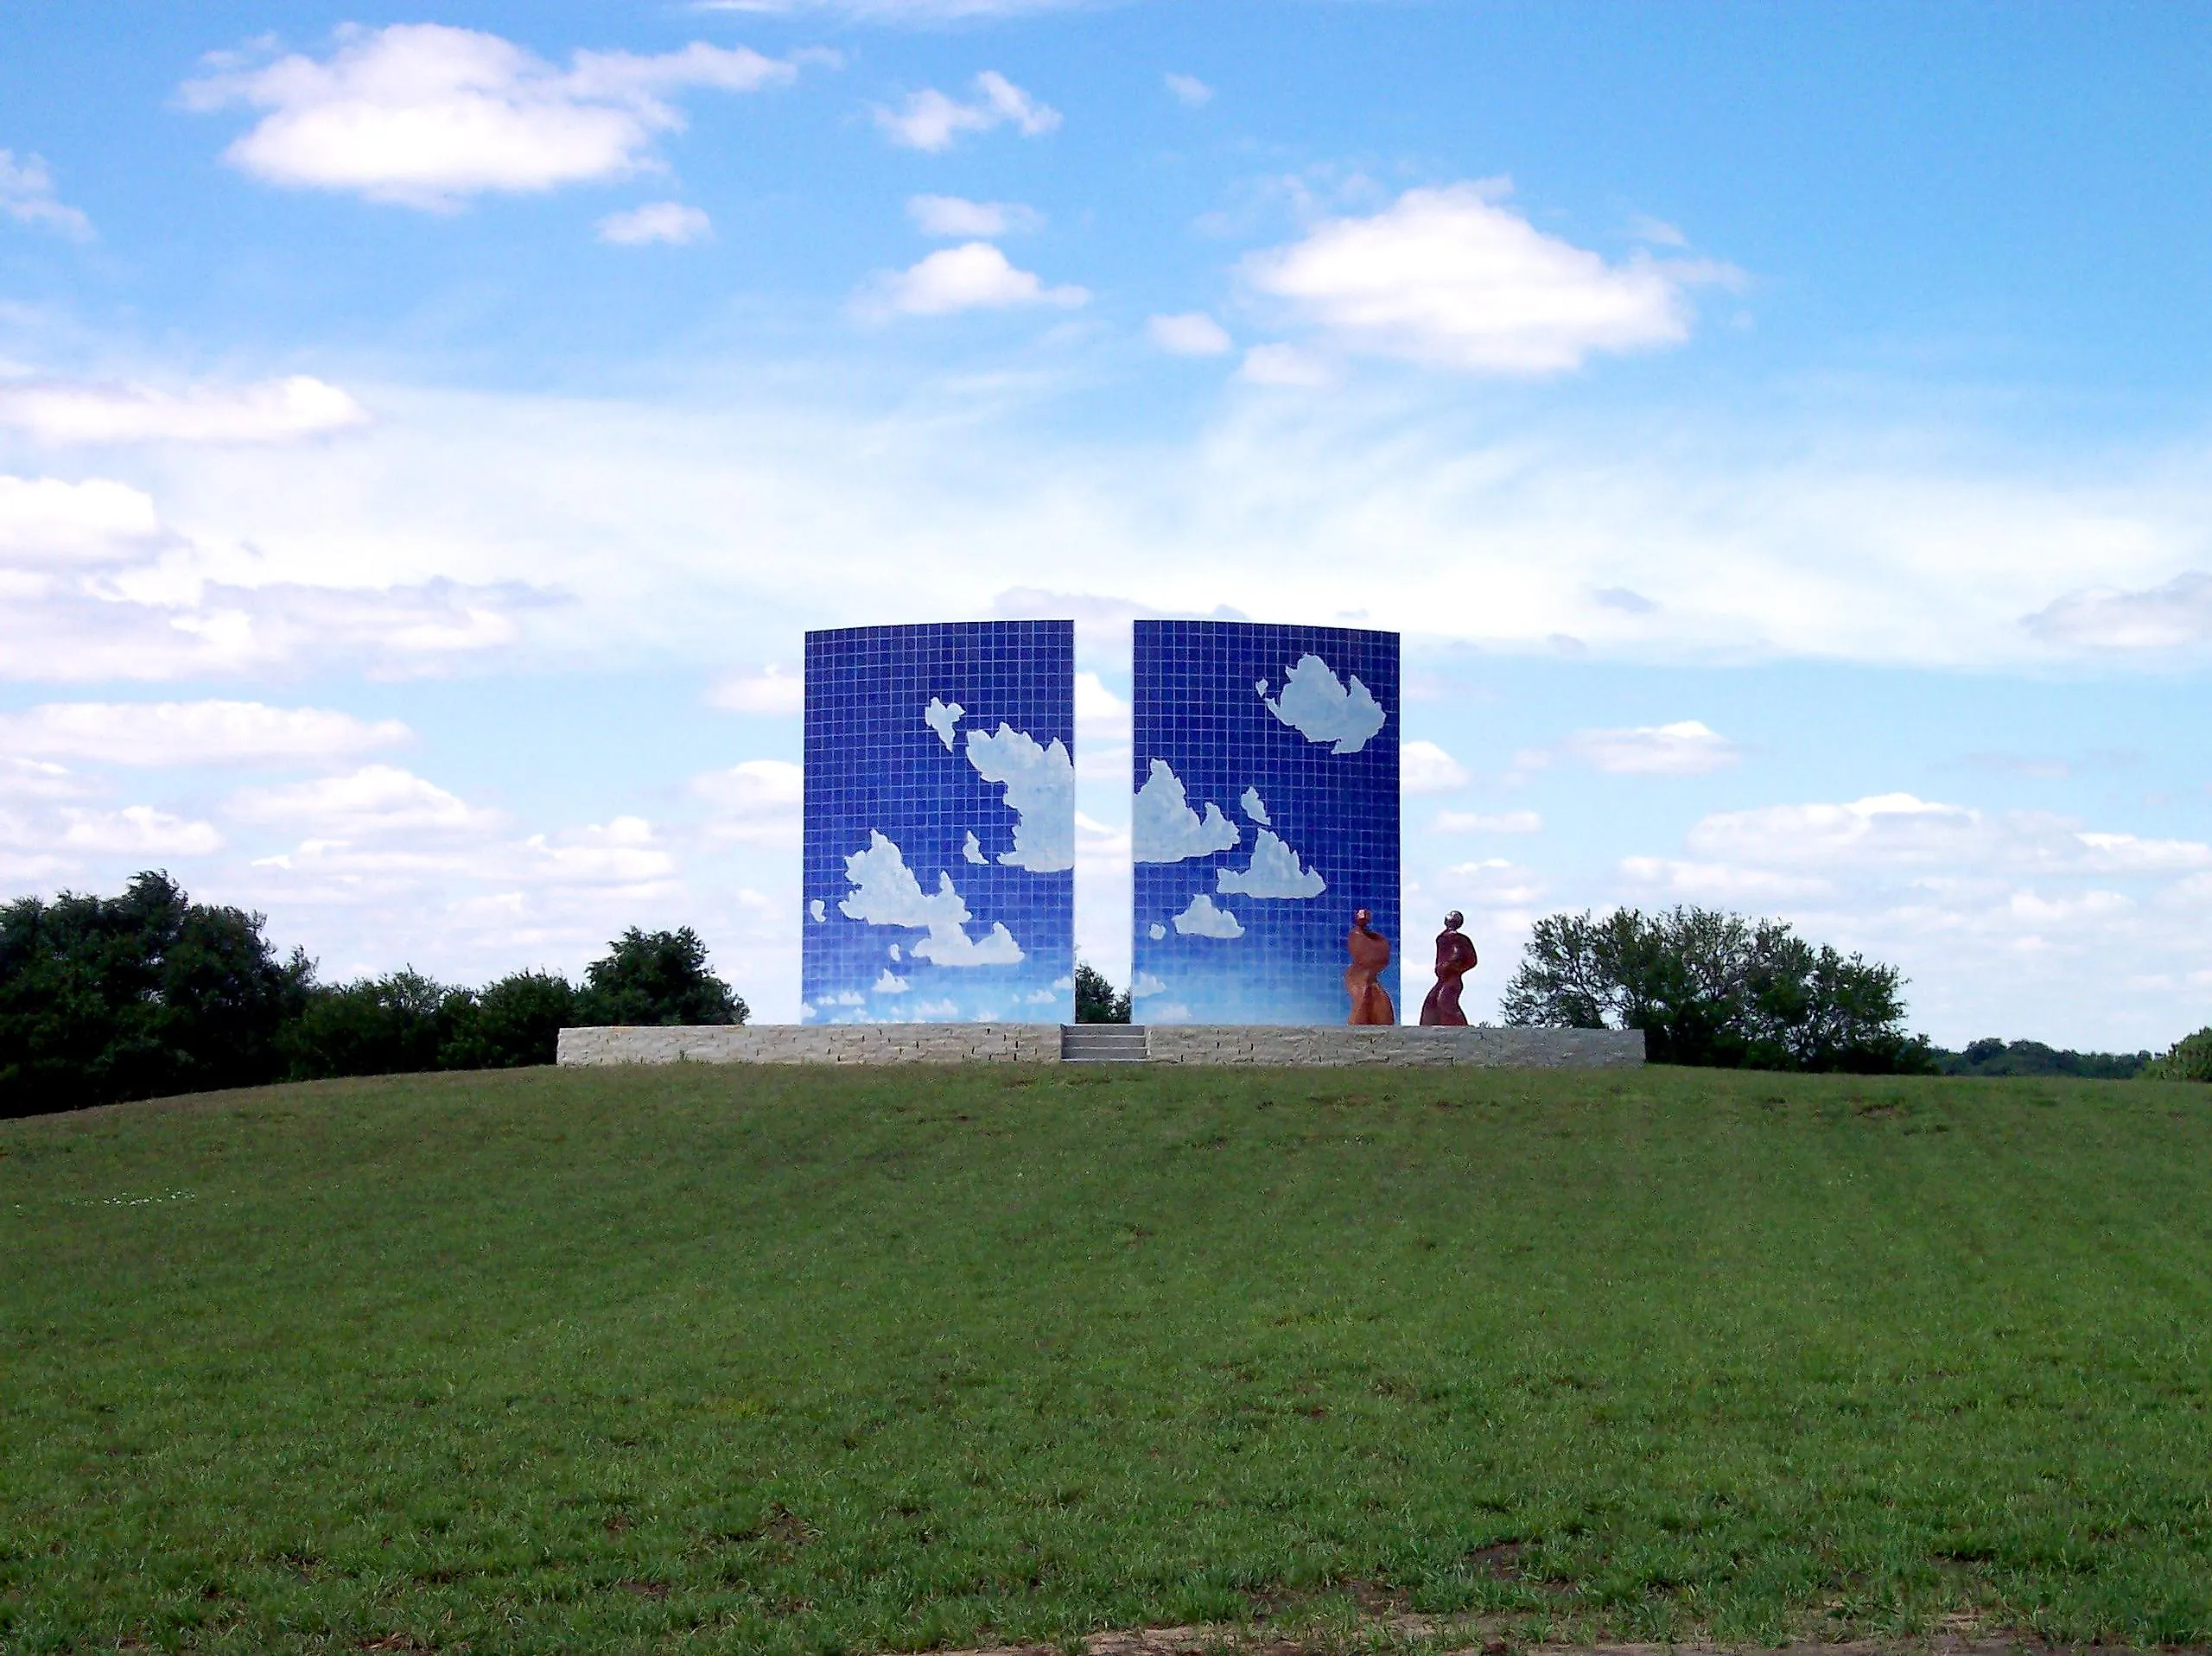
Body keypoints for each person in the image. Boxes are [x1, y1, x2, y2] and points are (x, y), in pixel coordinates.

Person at [1420, 910, 1478, 1026]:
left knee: (1445, 1001)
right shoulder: (1442, 938)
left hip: (1453, 978)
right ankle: (1429, 1029)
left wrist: (1454, 966)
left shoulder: (1459, 939)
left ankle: (1460, 1028)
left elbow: (1470, 959)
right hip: (1443, 979)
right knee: (1431, 1002)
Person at [1344, 907, 1395, 1025]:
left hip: (1369, 978)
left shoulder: (1371, 937)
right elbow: (1365, 957)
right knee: (1363, 1001)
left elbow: (1381, 957)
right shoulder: (1356, 935)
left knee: (1380, 1004)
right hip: (1359, 977)